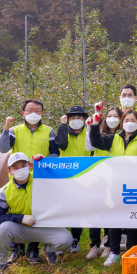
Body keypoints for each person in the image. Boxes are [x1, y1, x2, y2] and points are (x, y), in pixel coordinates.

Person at [0, 99, 59, 265]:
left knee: (36, 211)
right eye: (30, 110)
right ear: (23, 113)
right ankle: (16, 250)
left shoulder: (49, 131)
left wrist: (44, 159)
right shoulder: (14, 130)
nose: (34, 113)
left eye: (38, 110)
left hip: (38, 178)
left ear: (42, 113)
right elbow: (3, 149)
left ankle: (33, 249)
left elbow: (55, 153)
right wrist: (6, 127)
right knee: (16, 210)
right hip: (18, 177)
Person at [0, 152, 73, 273]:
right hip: (21, 229)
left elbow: (61, 178)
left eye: (23, 165)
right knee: (3, 229)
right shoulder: (4, 192)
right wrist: (20, 218)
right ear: (10, 171)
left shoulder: (41, 180)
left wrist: (44, 163)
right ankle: (1, 264)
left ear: (29, 165)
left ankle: (48, 251)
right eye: (16, 167)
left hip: (43, 226)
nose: (20, 169)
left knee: (66, 239)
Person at [90, 109, 137, 265]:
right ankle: (114, 252)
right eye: (126, 120)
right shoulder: (113, 139)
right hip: (115, 185)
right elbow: (95, 142)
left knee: (132, 220)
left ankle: (131, 251)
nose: (129, 123)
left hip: (134, 187)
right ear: (122, 123)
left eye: (133, 120)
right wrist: (95, 124)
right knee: (115, 220)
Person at [84, 105, 122, 260]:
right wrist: (91, 126)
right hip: (98, 176)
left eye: (116, 116)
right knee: (96, 209)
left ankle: (107, 245)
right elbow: (90, 145)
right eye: (109, 116)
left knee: (109, 211)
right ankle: (94, 244)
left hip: (114, 176)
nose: (112, 119)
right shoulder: (98, 133)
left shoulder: (121, 136)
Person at [56, 105, 91, 253]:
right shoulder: (63, 131)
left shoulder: (89, 133)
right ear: (67, 119)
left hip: (85, 176)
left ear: (84, 119)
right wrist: (63, 126)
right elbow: (61, 145)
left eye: (79, 117)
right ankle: (61, 240)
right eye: (72, 118)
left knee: (78, 210)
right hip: (65, 177)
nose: (76, 120)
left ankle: (75, 239)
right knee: (64, 210)